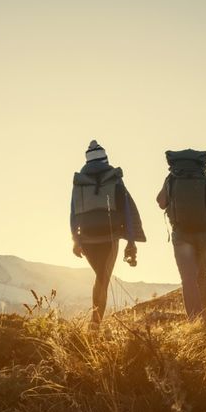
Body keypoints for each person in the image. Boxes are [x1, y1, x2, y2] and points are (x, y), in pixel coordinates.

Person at [70, 140, 146, 326]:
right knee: (103, 278)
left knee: (100, 277)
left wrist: (75, 239)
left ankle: (95, 322)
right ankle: (95, 324)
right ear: (105, 159)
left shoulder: (80, 183)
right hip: (110, 237)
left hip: (87, 238)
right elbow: (127, 209)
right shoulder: (114, 179)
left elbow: (73, 213)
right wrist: (131, 240)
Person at [156, 149, 206, 320]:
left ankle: (193, 320)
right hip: (205, 234)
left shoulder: (172, 179)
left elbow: (161, 203)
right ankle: (204, 318)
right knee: (202, 276)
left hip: (182, 235)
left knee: (188, 279)